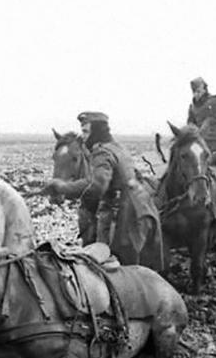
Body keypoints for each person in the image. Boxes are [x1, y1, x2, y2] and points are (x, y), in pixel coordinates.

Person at [43, 112, 162, 267]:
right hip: (140, 211)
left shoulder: (102, 152)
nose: (83, 137)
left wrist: (63, 187)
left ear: (97, 131)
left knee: (102, 266)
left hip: (119, 217)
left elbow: (97, 186)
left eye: (86, 132)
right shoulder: (118, 147)